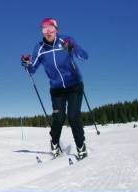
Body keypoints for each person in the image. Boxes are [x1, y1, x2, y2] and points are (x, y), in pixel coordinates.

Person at [21, 18, 89, 160]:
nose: (48, 32)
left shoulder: (65, 40)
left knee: (73, 117)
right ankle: (54, 143)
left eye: (51, 28)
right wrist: (27, 64)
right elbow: (31, 70)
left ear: (56, 29)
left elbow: (84, 56)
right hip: (57, 89)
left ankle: (81, 146)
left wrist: (72, 48)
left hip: (74, 85)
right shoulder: (39, 47)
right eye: (44, 30)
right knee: (58, 118)